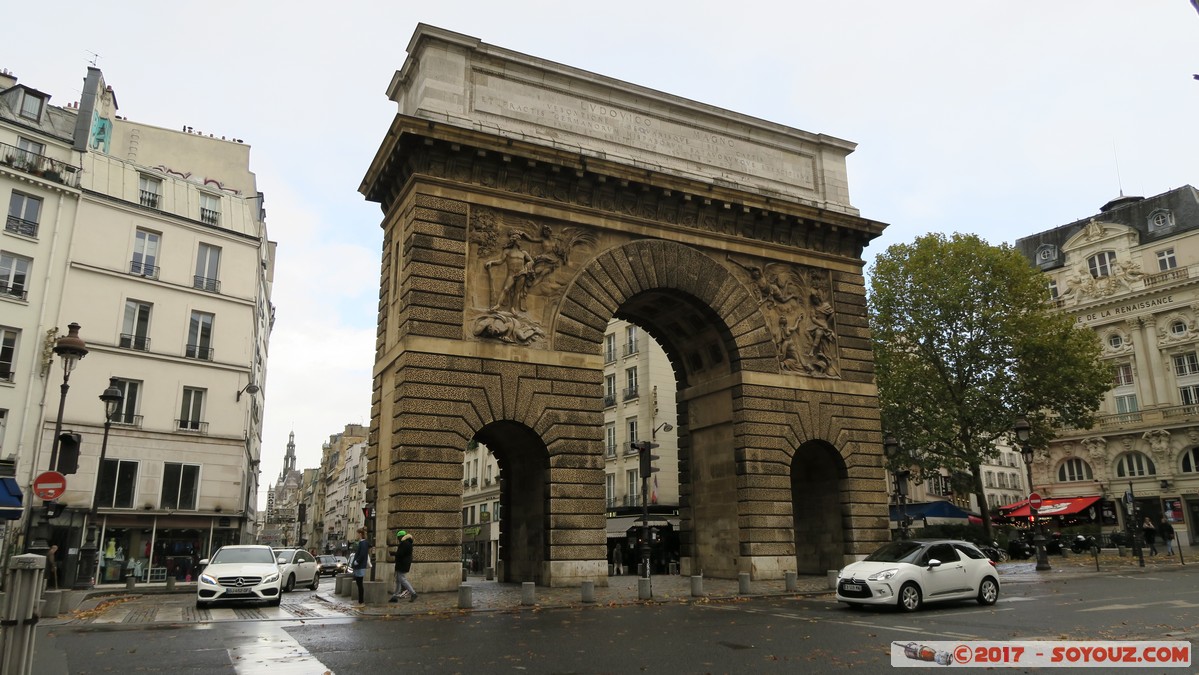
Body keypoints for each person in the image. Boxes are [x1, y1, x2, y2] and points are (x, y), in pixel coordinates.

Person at [389, 530, 417, 603]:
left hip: (402, 564)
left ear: (401, 536)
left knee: (402, 579)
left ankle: (413, 593)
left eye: (398, 537)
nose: (398, 539)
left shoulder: (404, 543)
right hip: (403, 564)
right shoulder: (408, 543)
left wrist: (393, 553)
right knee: (398, 580)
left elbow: (400, 554)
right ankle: (395, 596)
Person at [351, 527, 372, 604]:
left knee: (359, 583)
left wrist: (357, 561)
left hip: (360, 566)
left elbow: (362, 554)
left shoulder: (363, 543)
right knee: (359, 583)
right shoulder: (363, 543)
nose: (356, 535)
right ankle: (360, 600)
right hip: (360, 565)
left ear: (360, 534)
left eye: (357, 533)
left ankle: (361, 600)